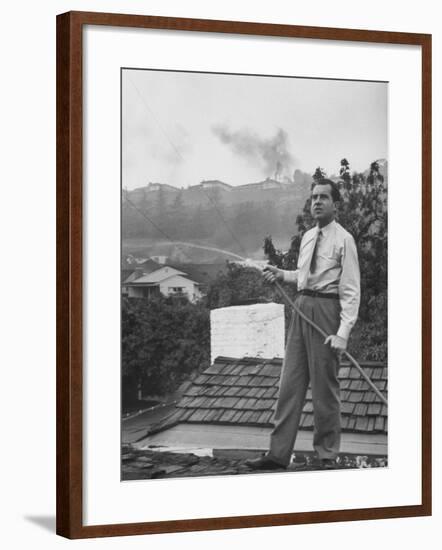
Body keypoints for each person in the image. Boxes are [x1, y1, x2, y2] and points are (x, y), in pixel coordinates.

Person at [246, 178, 360, 470]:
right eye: (313, 198)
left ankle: (326, 456)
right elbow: (302, 275)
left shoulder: (344, 239)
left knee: (325, 389)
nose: (317, 202)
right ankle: (277, 454)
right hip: (302, 307)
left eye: (323, 197)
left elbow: (350, 291)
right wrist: (280, 274)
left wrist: (342, 333)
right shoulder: (309, 236)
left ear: (335, 204)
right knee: (289, 384)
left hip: (326, 310)